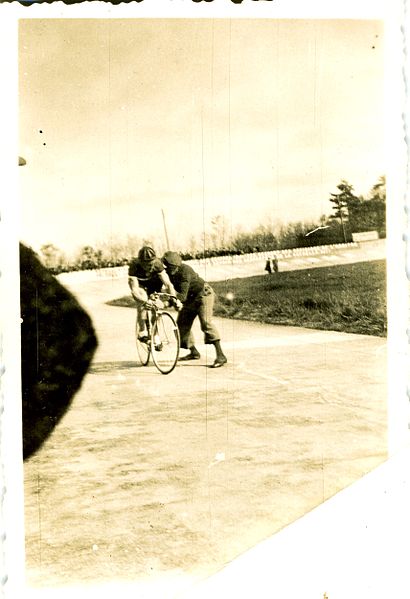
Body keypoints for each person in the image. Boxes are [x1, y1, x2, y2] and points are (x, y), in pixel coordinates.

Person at [161, 251, 227, 368]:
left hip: (203, 295)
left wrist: (168, 301)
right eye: (169, 268)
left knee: (206, 323)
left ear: (178, 265)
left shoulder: (185, 271)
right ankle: (193, 352)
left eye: (174, 267)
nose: (172, 270)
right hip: (189, 300)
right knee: (181, 325)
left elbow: (182, 295)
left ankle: (221, 355)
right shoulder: (166, 273)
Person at [128, 245, 177, 341]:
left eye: (151, 264)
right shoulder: (134, 265)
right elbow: (134, 290)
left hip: (153, 283)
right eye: (146, 264)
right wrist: (144, 302)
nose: (149, 266)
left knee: (156, 306)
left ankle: (156, 335)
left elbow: (168, 285)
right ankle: (142, 332)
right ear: (140, 262)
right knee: (142, 301)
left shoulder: (158, 264)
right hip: (140, 284)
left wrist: (174, 299)